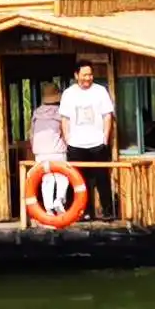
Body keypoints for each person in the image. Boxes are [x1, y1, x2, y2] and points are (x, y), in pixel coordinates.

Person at [59, 59, 116, 221]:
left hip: (97, 143)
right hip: (76, 144)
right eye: (84, 75)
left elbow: (107, 116)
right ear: (76, 75)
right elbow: (65, 119)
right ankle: (82, 211)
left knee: (101, 178)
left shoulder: (100, 91)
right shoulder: (69, 94)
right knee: (78, 180)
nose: (88, 78)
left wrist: (105, 139)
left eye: (90, 75)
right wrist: (68, 139)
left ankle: (107, 211)